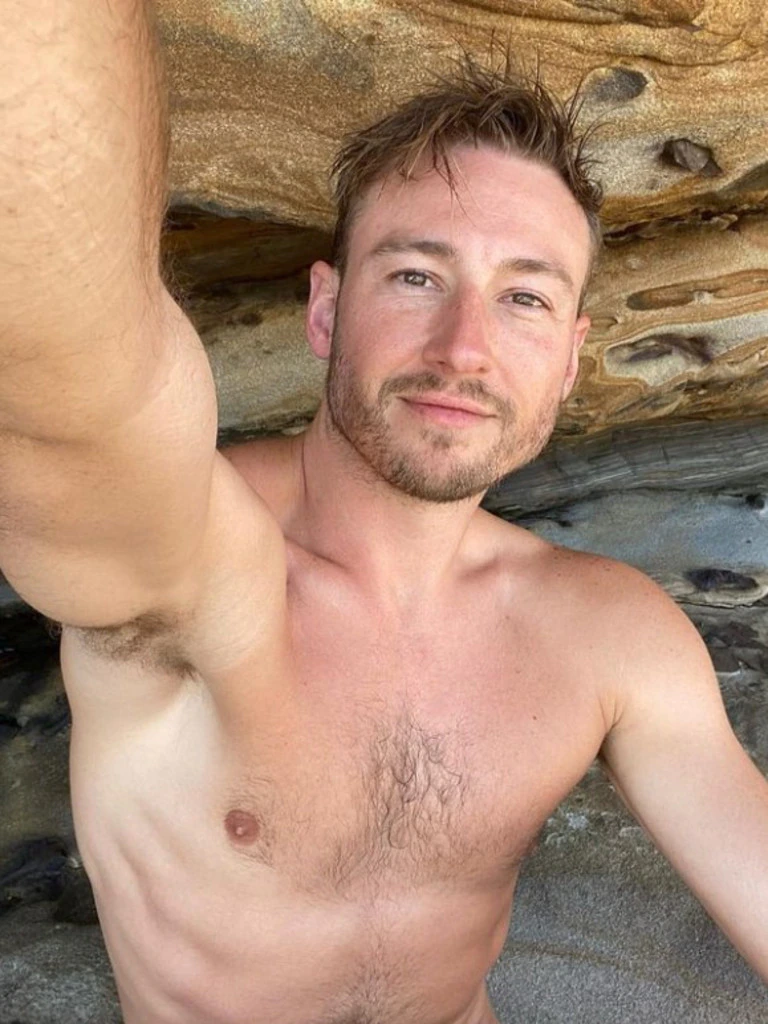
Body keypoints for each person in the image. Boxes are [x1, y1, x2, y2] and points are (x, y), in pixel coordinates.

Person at [1, 2, 766, 1022]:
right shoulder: (196, 567)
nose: (464, 348)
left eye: (525, 298)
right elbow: (71, 382)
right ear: (326, 309)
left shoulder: (608, 632)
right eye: (416, 275)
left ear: (573, 358)